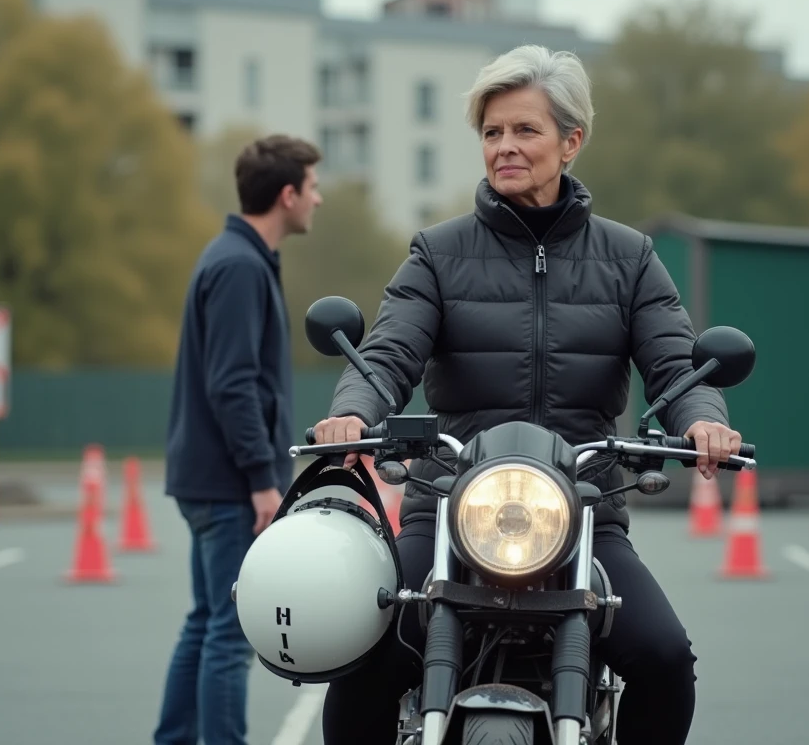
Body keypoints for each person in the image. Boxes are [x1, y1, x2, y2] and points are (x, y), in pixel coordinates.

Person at [310, 45, 740, 745]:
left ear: (572, 141)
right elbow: (388, 350)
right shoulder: (438, 253)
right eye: (492, 132)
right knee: (362, 655)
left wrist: (702, 420)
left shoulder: (628, 258)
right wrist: (353, 409)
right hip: (448, 506)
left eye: (524, 130)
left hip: (586, 512)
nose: (505, 146)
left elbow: (674, 363)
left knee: (664, 659)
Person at [154, 134, 323, 745]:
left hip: (210, 479)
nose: (318, 199)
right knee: (228, 633)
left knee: (206, 624)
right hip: (228, 485)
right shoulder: (239, 267)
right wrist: (260, 479)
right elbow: (233, 386)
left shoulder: (235, 257)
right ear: (287, 195)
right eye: (312, 186)